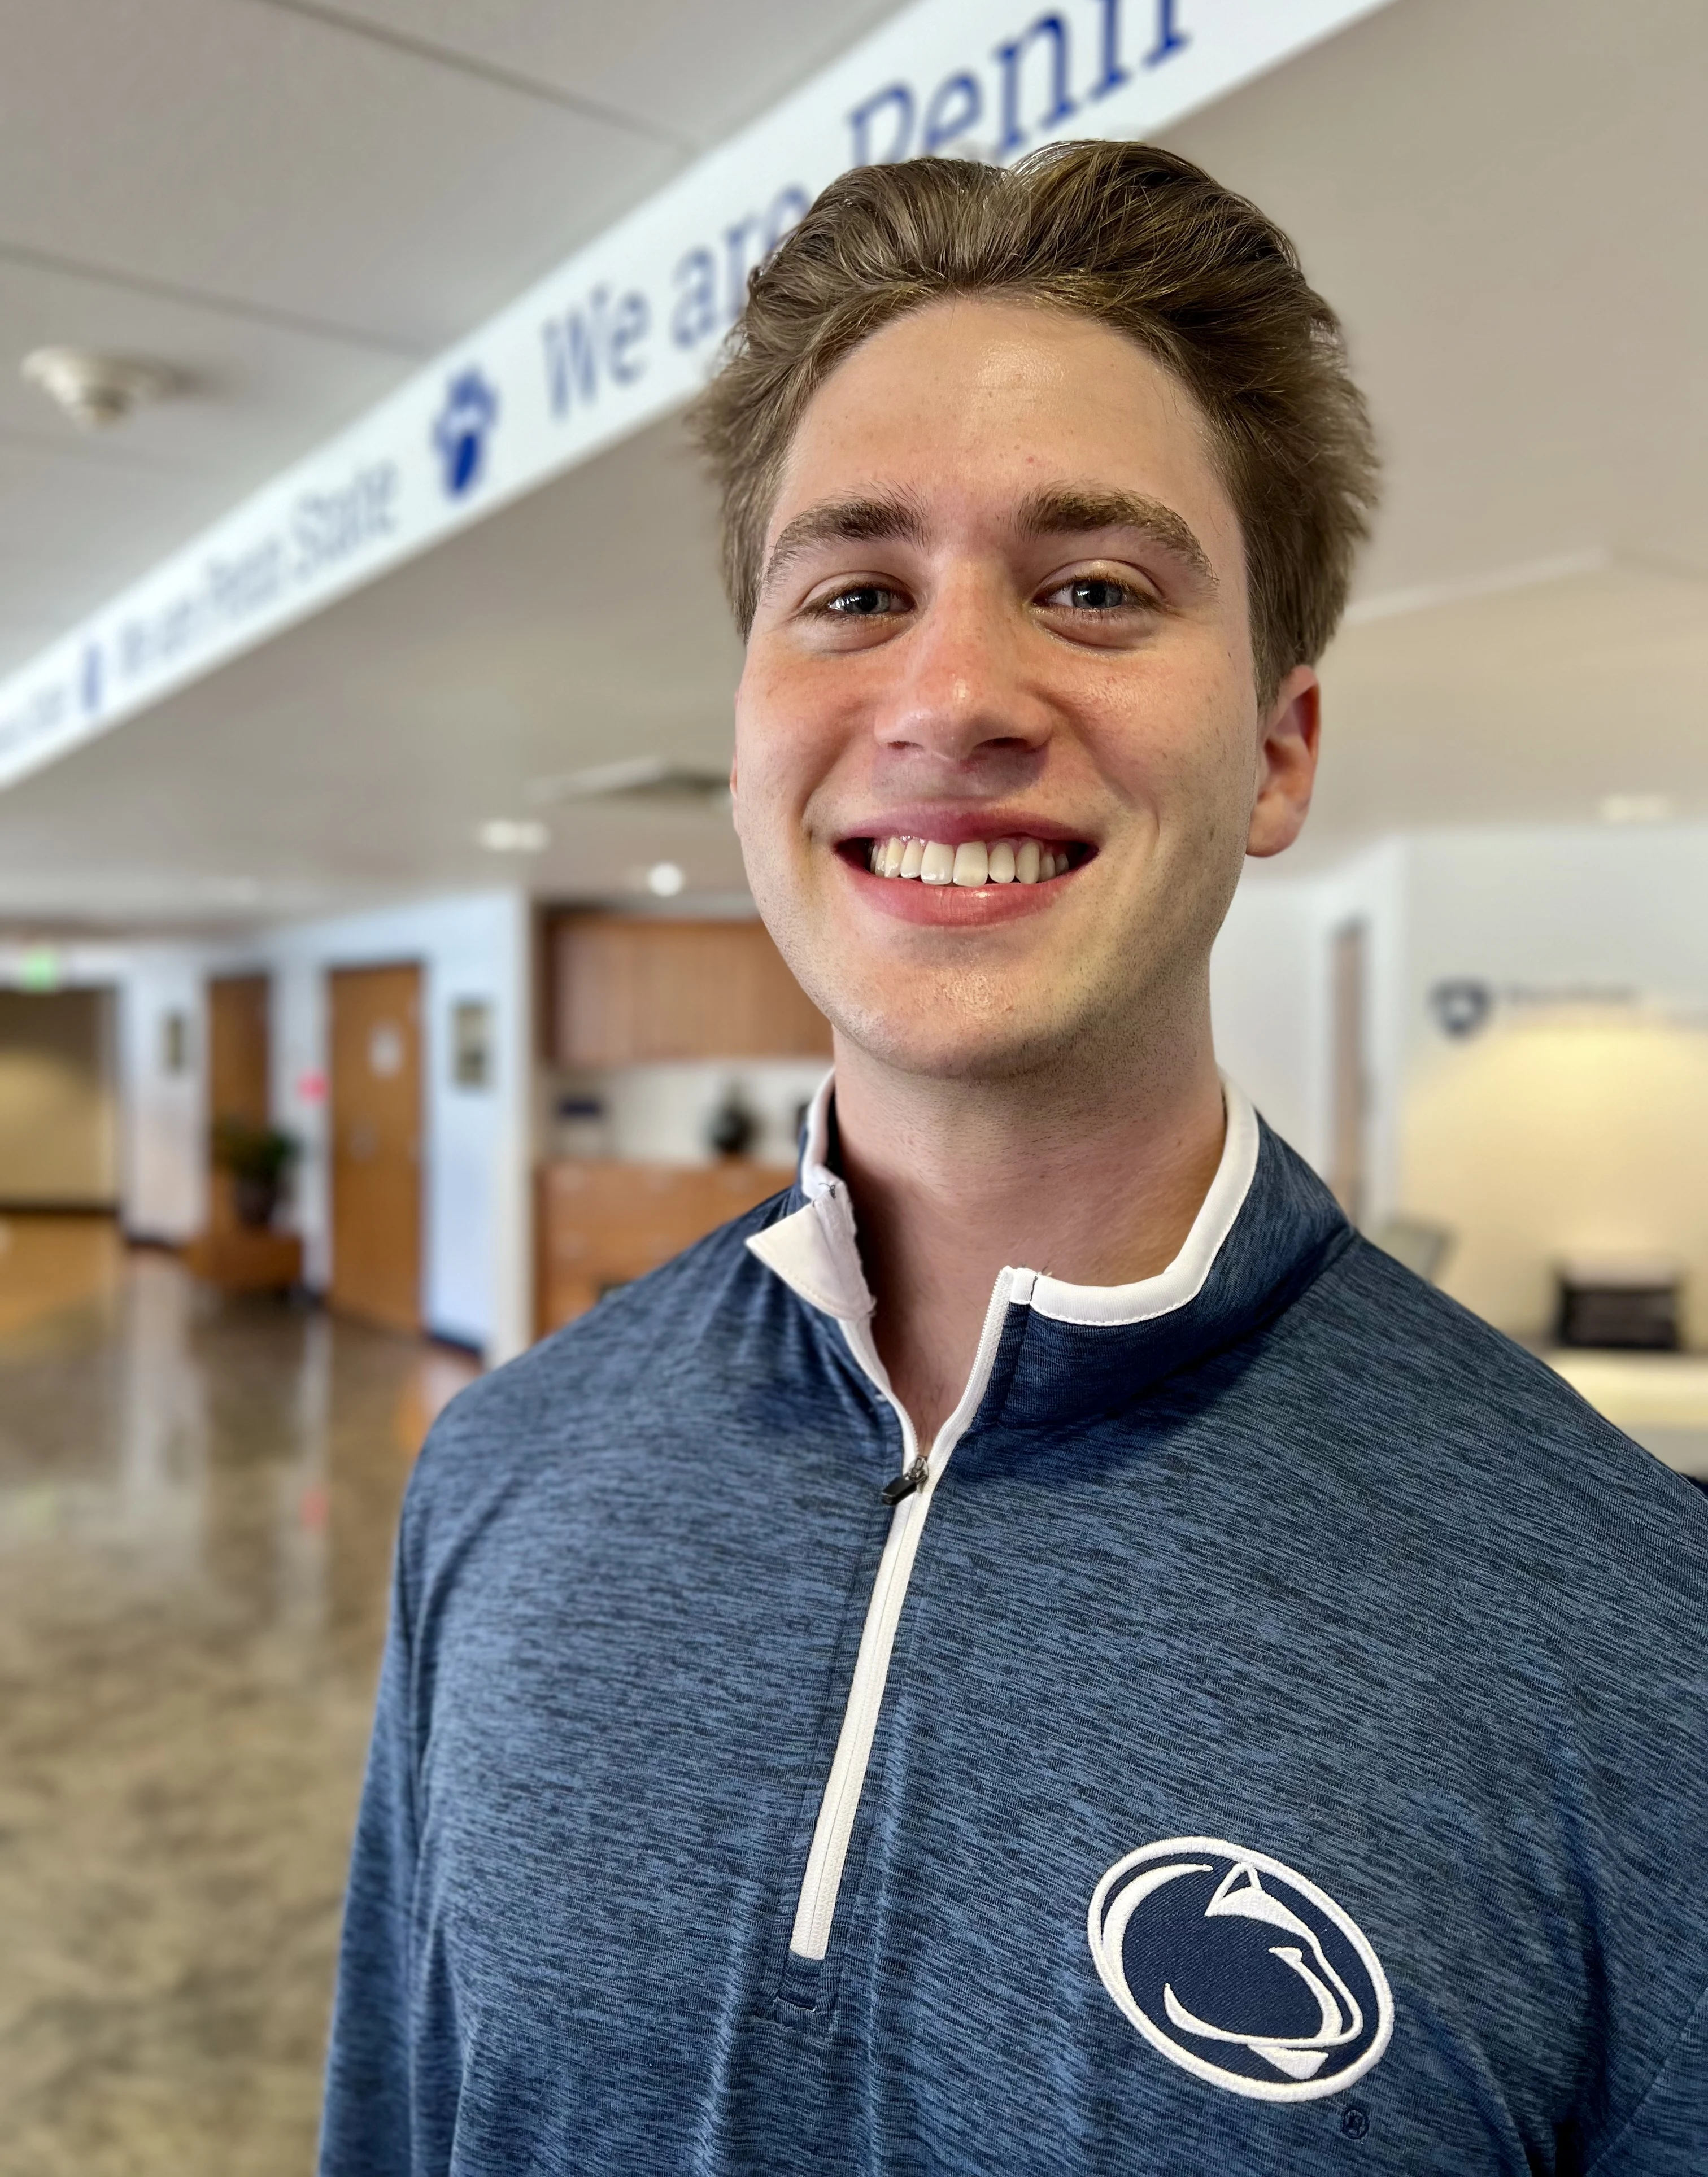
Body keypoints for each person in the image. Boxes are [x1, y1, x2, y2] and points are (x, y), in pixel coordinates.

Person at [320, 144, 1708, 2175]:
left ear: (1280, 750)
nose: (951, 695)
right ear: (747, 731)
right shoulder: (504, 1474)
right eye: (857, 594)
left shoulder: (1630, 1630)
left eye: (1094, 591)